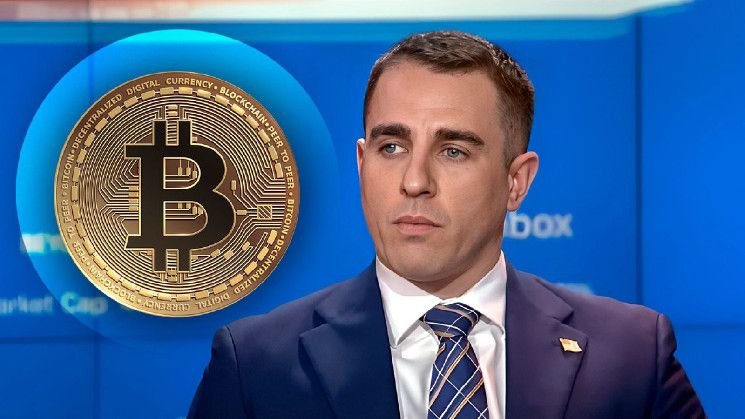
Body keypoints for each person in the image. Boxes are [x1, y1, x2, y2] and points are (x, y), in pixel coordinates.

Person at [187, 30, 705, 418]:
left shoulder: (633, 356)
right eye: (392, 147)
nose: (414, 181)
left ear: (516, 182)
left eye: (453, 151)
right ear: (362, 165)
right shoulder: (255, 366)